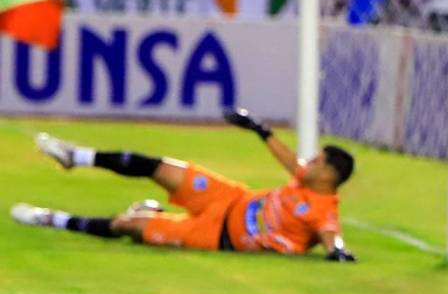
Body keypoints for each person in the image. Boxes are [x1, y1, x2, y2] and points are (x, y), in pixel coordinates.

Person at [10, 109, 357, 261]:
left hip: (217, 236)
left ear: (329, 175)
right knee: (160, 167)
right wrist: (258, 128)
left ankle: (49, 218)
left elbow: (331, 235)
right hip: (230, 197)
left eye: (316, 161)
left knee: (129, 226)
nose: (307, 163)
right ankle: (76, 156)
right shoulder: (305, 180)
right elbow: (288, 160)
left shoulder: (323, 209)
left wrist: (337, 251)